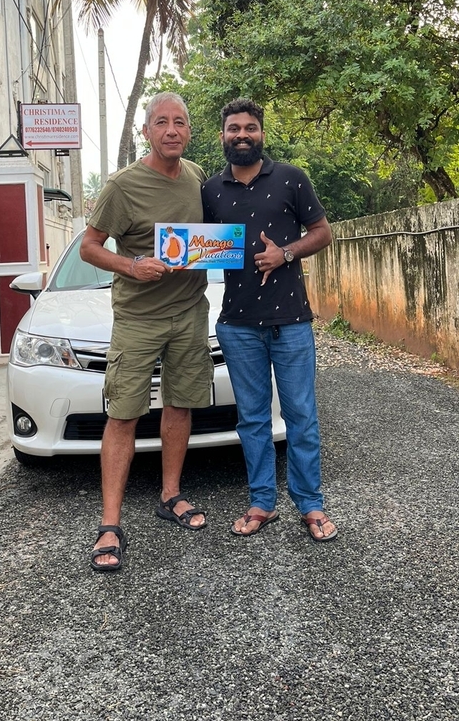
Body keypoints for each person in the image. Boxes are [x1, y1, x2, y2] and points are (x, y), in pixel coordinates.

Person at [80, 92, 212, 572]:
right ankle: (109, 524)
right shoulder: (122, 186)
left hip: (190, 312)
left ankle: (170, 494)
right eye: (162, 122)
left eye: (180, 121)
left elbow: (209, 239)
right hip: (138, 319)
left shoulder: (197, 176)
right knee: (125, 413)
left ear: (189, 131)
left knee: (179, 406)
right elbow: (89, 248)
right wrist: (130, 265)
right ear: (147, 131)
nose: (172, 130)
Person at [201, 97, 337, 542]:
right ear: (222, 136)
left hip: (292, 322)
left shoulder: (292, 179)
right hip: (237, 325)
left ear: (262, 133)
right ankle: (262, 503)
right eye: (234, 128)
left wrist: (286, 252)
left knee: (301, 415)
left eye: (251, 128)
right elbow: (199, 248)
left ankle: (310, 505)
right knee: (253, 419)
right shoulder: (210, 191)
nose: (242, 135)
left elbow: (322, 233)